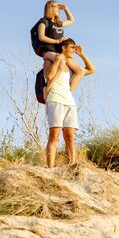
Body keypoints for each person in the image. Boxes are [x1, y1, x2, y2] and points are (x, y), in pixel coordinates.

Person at [44, 38, 95, 168]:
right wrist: (58, 63)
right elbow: (49, 76)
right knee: (54, 135)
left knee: (70, 136)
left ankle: (71, 166)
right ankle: (50, 169)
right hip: (55, 99)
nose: (74, 50)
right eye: (72, 47)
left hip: (69, 102)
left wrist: (81, 54)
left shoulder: (70, 66)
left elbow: (91, 69)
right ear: (64, 47)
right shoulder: (50, 60)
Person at [31, 0, 84, 94]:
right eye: (56, 6)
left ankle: (69, 92)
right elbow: (41, 37)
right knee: (61, 62)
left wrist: (65, 8)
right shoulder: (43, 21)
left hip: (60, 53)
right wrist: (57, 41)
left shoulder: (58, 23)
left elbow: (72, 20)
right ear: (50, 8)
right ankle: (48, 88)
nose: (58, 9)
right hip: (48, 51)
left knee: (80, 71)